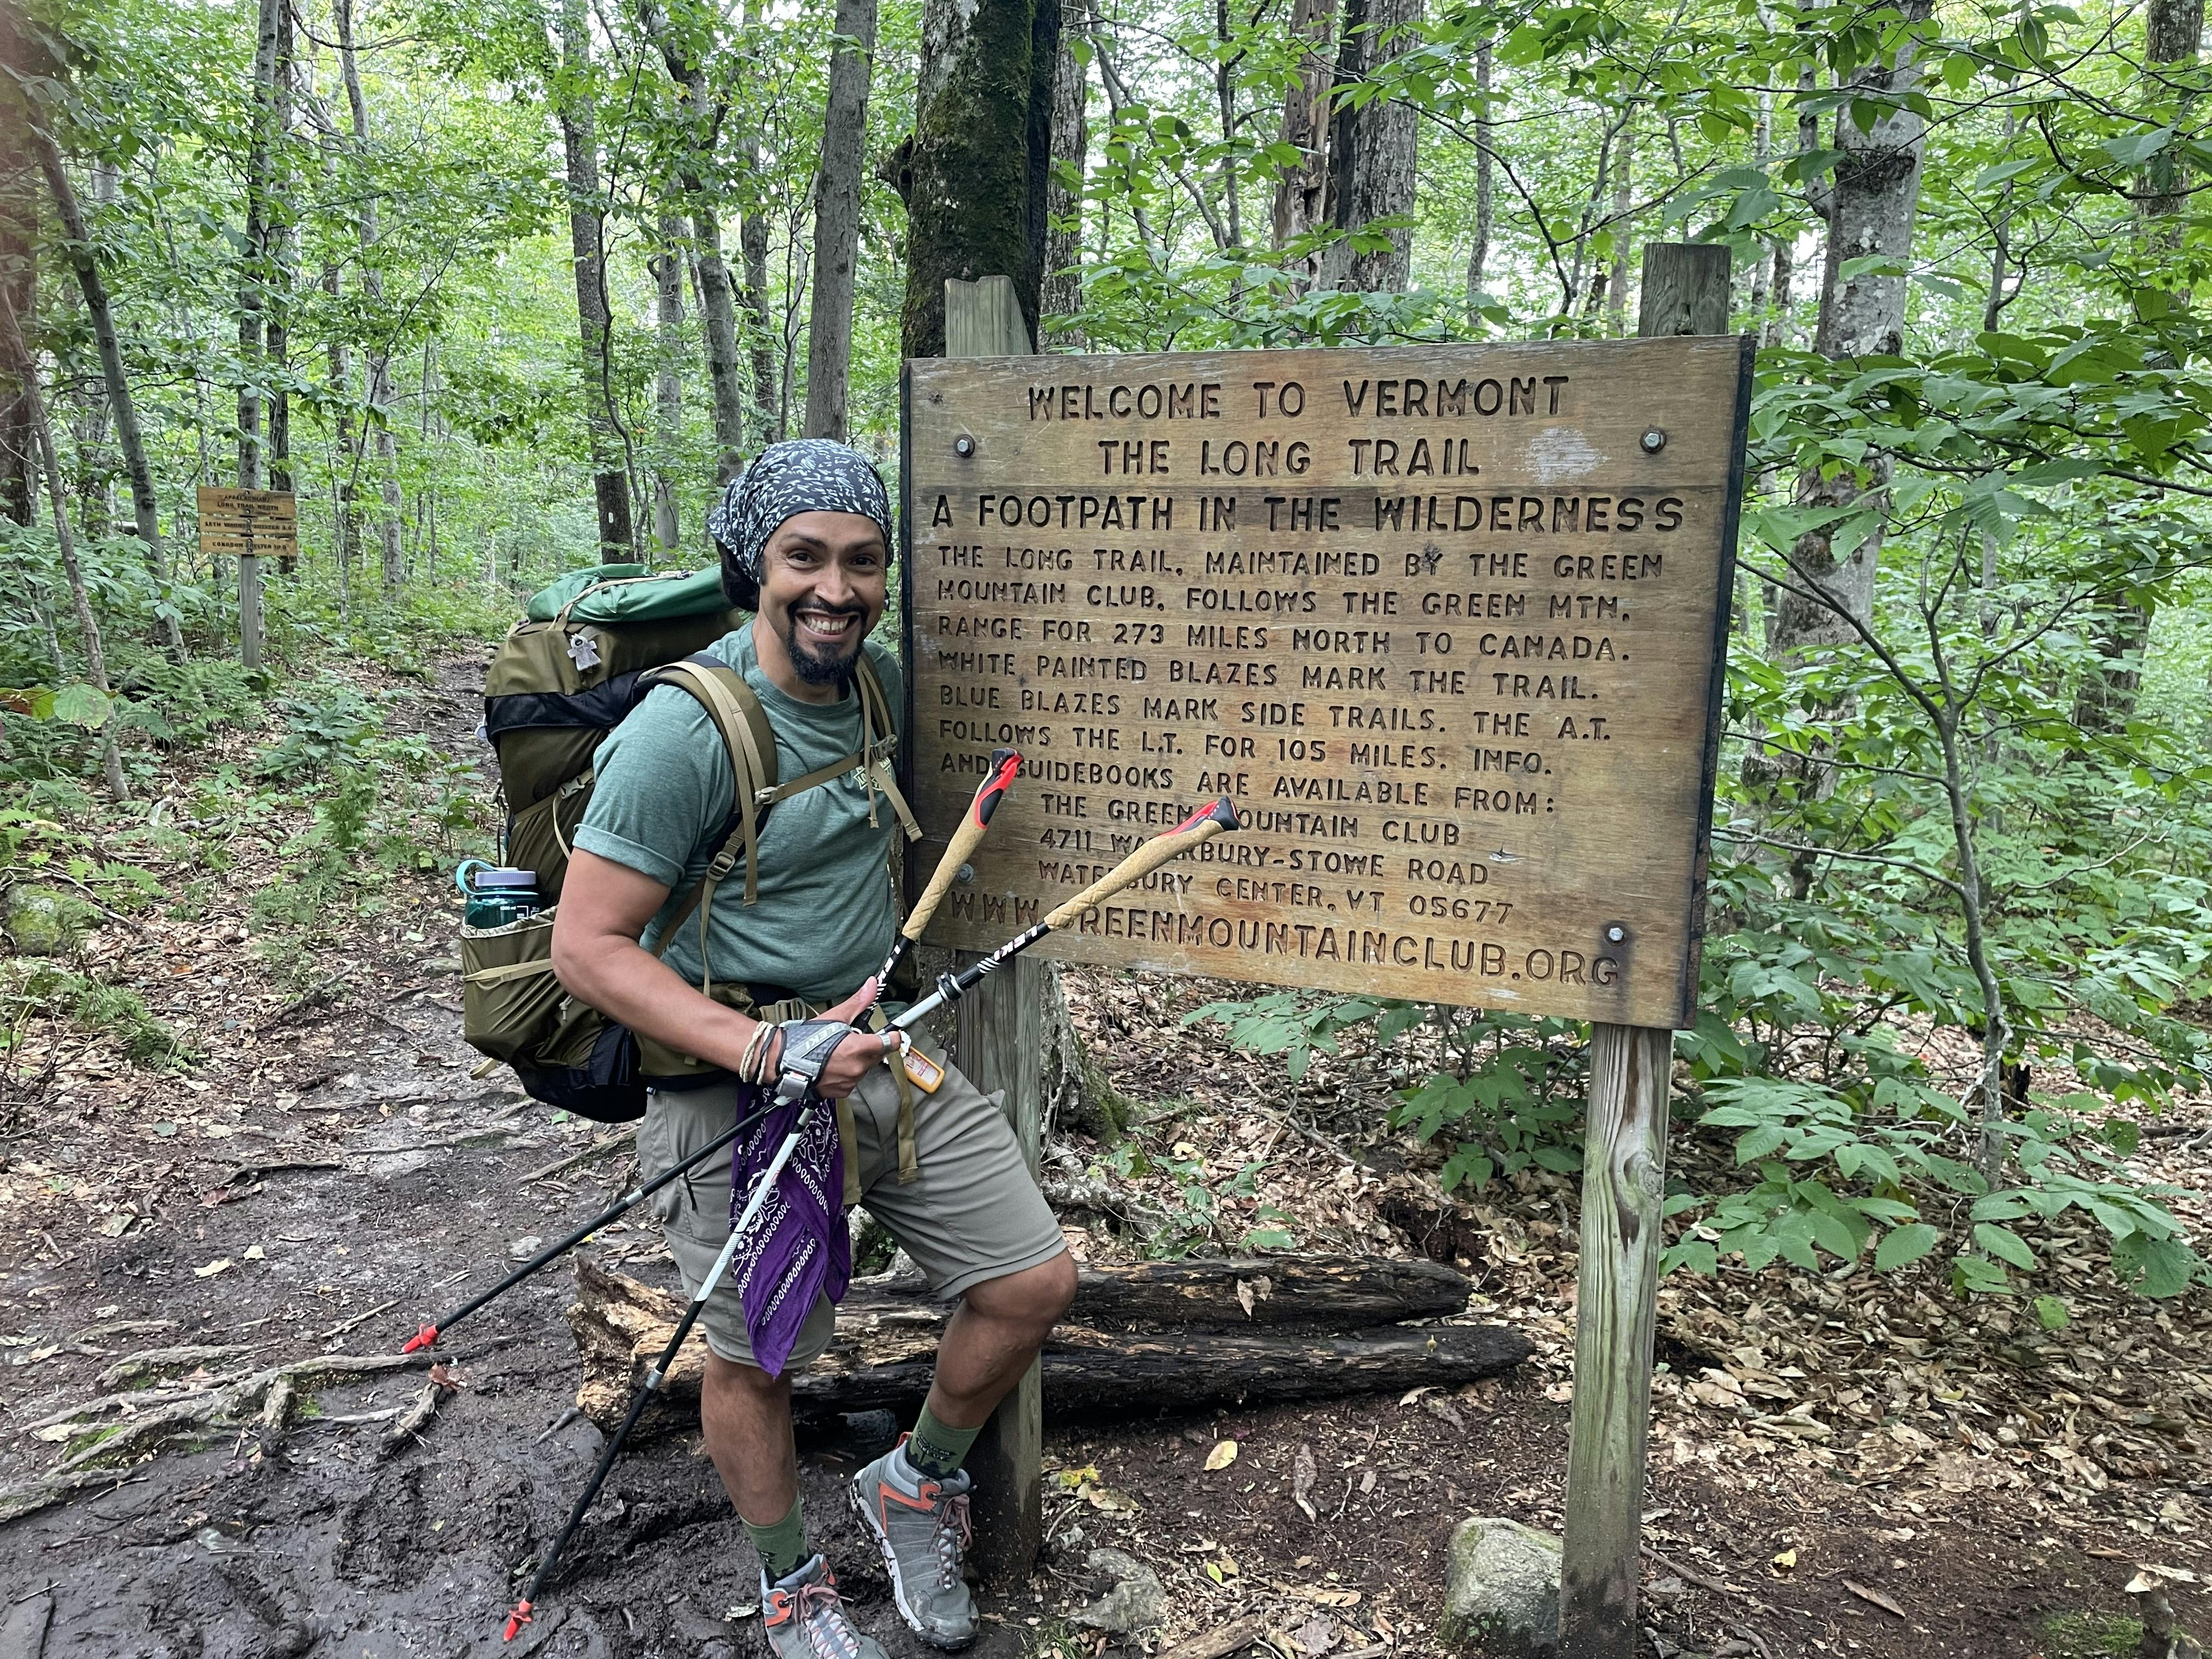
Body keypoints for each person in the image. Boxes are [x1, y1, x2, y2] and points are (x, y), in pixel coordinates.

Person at [551, 439, 1076, 1658]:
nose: (833, 588)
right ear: (753, 565)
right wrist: (764, 1051)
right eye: (804, 558)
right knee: (758, 1355)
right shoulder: (685, 734)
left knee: (1030, 1281)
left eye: (860, 560)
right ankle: (791, 1580)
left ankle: (910, 1483)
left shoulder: (880, 688)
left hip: (881, 1063)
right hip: (734, 1091)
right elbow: (588, 948)